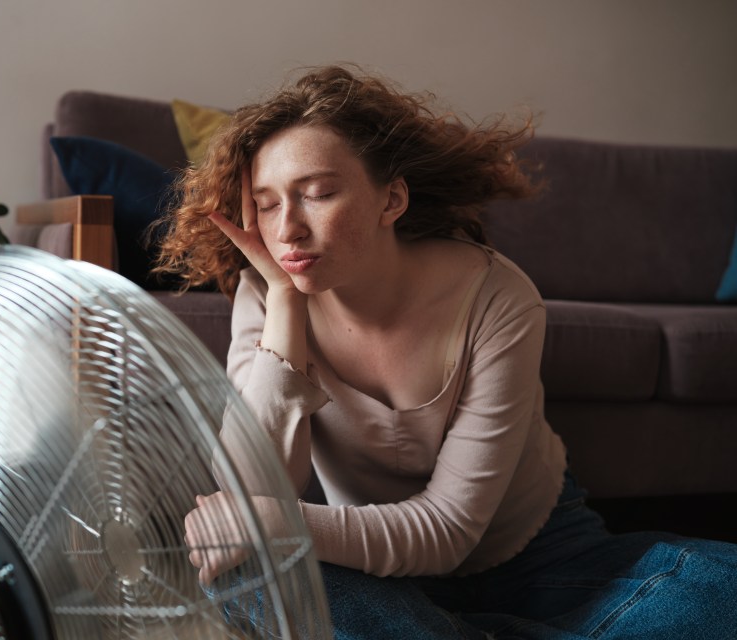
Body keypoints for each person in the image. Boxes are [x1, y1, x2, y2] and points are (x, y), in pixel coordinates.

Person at [160, 65, 737, 639]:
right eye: (265, 204)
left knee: (720, 591)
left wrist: (282, 524)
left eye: (317, 194)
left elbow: (447, 530)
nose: (287, 230)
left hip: (538, 560)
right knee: (242, 577)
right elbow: (249, 493)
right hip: (373, 562)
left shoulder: (498, 297)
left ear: (392, 200)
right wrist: (285, 304)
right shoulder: (266, 292)